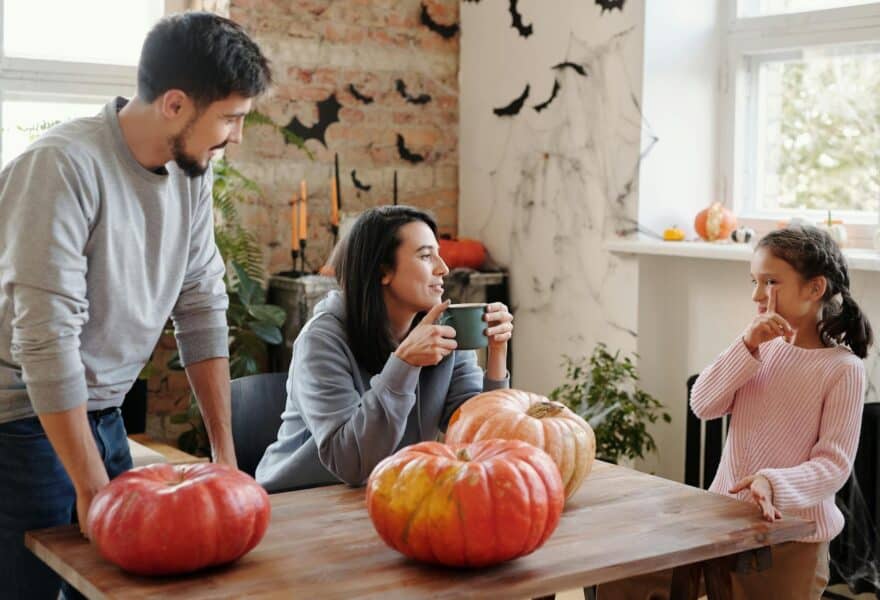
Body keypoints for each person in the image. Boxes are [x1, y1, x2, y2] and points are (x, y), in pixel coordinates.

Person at [0, 12, 272, 599]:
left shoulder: (189, 174)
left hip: (101, 412)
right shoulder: (61, 166)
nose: (236, 137)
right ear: (174, 104)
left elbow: (200, 304)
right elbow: (45, 338)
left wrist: (223, 453)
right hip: (20, 420)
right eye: (229, 118)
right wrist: (91, 485)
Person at [600, 226, 872, 600]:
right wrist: (746, 345)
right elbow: (703, 403)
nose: (757, 295)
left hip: (792, 539)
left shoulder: (843, 369)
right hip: (722, 521)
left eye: (770, 281)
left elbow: (833, 466)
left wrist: (772, 483)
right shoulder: (757, 348)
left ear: (815, 288)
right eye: (754, 281)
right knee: (625, 576)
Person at [257, 206, 514, 491]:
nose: (444, 268)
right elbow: (350, 464)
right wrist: (403, 365)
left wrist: (497, 352)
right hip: (303, 500)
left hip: (391, 492)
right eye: (426, 256)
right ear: (383, 271)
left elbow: (479, 440)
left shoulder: (444, 327)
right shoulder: (320, 340)